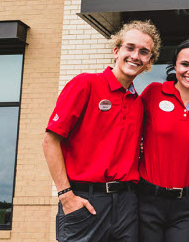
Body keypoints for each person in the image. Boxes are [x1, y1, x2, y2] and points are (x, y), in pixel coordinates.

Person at [42, 20, 161, 242]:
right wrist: (65, 196)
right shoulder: (86, 84)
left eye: (144, 52)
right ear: (116, 50)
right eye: (130, 47)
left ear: (149, 62)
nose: (136, 56)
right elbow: (50, 141)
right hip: (85, 200)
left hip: (126, 203)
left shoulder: (138, 102)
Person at [137, 39, 189, 242]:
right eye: (185, 64)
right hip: (148, 199)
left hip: (186, 204)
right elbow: (129, 128)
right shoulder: (153, 92)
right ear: (175, 66)